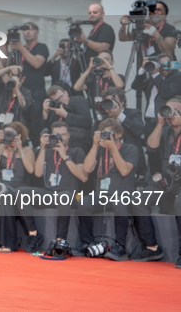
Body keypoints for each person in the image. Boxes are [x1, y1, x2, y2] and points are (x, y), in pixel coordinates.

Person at [77, 119, 138, 261]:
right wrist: (94, 145)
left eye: (110, 133)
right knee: (83, 202)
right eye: (104, 133)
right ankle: (87, 241)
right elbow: (87, 169)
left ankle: (120, 246)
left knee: (119, 202)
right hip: (101, 194)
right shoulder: (100, 150)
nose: (107, 136)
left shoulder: (130, 149)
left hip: (122, 193)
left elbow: (124, 171)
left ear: (119, 134)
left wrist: (113, 148)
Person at [22, 122, 87, 253]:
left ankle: (60, 240)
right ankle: (33, 234)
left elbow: (83, 177)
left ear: (68, 135)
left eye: (63, 134)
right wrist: (43, 148)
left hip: (70, 193)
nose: (60, 138)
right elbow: (38, 173)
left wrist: (65, 156)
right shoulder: (47, 152)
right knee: (21, 193)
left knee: (65, 196)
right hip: (49, 192)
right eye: (57, 135)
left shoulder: (77, 151)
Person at [131, 96, 181, 266]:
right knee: (138, 199)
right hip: (167, 181)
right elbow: (151, 147)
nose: (171, 115)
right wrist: (160, 124)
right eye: (168, 110)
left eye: (175, 111)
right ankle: (152, 248)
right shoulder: (166, 131)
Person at [131, 53, 181, 174]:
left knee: (164, 151)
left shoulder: (177, 77)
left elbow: (166, 92)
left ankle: (166, 176)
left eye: (166, 64)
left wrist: (155, 73)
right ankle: (154, 178)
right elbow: (135, 86)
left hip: (166, 120)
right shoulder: (153, 79)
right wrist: (143, 69)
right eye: (160, 64)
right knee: (151, 151)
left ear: (172, 65)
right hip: (150, 121)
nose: (163, 68)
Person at [7, 22, 48, 141]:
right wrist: (5, 44)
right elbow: (7, 65)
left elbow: (36, 63)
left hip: (36, 92)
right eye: (25, 30)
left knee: (35, 125)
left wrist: (20, 47)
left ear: (37, 32)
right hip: (20, 90)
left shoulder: (42, 47)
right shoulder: (17, 49)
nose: (27, 32)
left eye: (31, 29)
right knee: (18, 122)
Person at [0, 64, 33, 141]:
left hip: (16, 130)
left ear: (23, 79)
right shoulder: (4, 88)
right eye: (12, 76)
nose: (14, 78)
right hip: (0, 127)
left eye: (17, 77)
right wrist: (8, 69)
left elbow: (24, 107)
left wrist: (17, 88)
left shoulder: (26, 92)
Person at [42, 85, 93, 152]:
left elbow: (87, 121)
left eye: (61, 97)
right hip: (59, 141)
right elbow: (48, 128)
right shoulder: (55, 109)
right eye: (56, 100)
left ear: (66, 93)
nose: (60, 101)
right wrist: (45, 112)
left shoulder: (78, 100)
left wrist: (66, 115)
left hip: (79, 141)